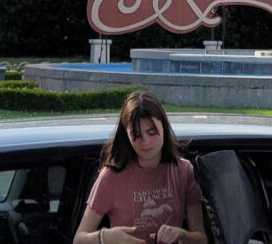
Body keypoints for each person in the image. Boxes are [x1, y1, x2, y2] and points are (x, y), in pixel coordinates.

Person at [73, 90, 207, 244]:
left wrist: (181, 234)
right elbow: (79, 239)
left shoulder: (183, 171)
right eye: (136, 134)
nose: (145, 142)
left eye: (152, 132)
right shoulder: (111, 177)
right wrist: (105, 237)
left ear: (164, 127)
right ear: (126, 135)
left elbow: (201, 238)